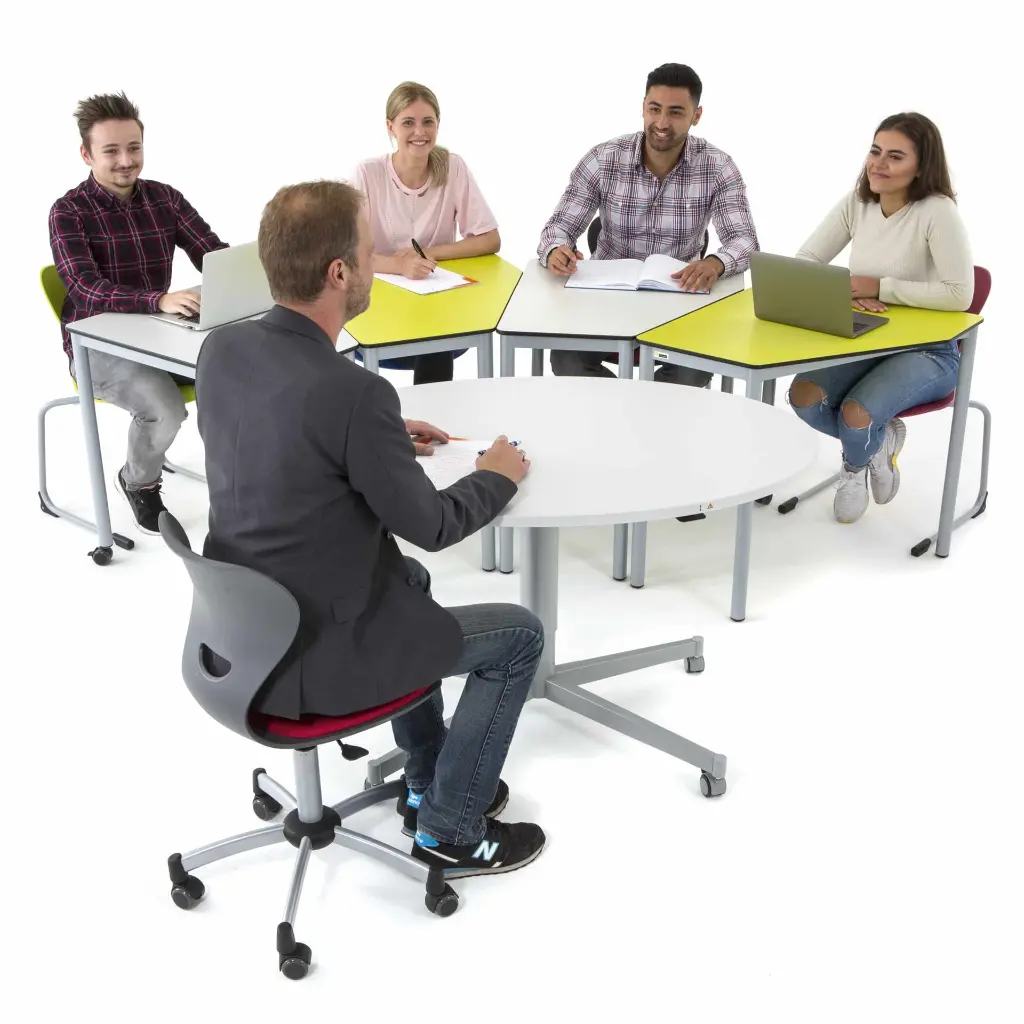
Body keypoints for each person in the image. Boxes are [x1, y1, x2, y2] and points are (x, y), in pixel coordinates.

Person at [195, 180, 546, 878]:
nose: (377, 258)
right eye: (368, 249)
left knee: (407, 581)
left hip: (241, 631)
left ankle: (425, 778)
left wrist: (376, 441)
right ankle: (451, 829)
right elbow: (434, 524)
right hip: (316, 656)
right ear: (339, 273)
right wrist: (497, 475)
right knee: (518, 637)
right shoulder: (353, 394)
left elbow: (281, 436)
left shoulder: (222, 349)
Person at [48, 91, 228, 535]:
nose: (126, 161)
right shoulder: (68, 211)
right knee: (165, 409)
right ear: (87, 154)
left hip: (162, 333)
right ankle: (138, 482)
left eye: (134, 148)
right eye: (111, 151)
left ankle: (244, 478)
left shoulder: (164, 198)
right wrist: (157, 300)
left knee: (244, 373)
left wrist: (246, 275)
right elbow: (84, 289)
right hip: (97, 346)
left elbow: (212, 254)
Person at [789, 112, 973, 524]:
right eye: (875, 152)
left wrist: (879, 287)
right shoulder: (858, 203)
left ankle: (854, 467)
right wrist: (841, 291)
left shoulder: (937, 211)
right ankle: (879, 441)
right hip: (866, 339)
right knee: (803, 397)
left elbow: (960, 294)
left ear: (921, 166)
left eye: (895, 156)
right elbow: (807, 261)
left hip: (929, 353)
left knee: (856, 415)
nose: (879, 164)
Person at [537, 62, 759, 385]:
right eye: (654, 109)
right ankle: (624, 410)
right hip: (605, 301)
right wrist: (556, 249)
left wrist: (715, 263)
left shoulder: (718, 167)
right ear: (643, 107)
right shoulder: (603, 158)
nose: (662, 123)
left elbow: (745, 240)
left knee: (694, 369)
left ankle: (650, 414)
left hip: (679, 302)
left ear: (696, 115)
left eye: (676, 112)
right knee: (566, 357)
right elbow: (558, 228)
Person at [353, 81, 501, 385]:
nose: (420, 132)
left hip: (435, 300)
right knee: (431, 342)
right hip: (379, 305)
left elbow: (490, 239)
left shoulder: (452, 166)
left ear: (438, 124)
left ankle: (431, 415)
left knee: (438, 337)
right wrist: (399, 265)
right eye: (408, 122)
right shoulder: (368, 173)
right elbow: (349, 253)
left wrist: (427, 254)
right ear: (391, 127)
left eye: (428, 122)